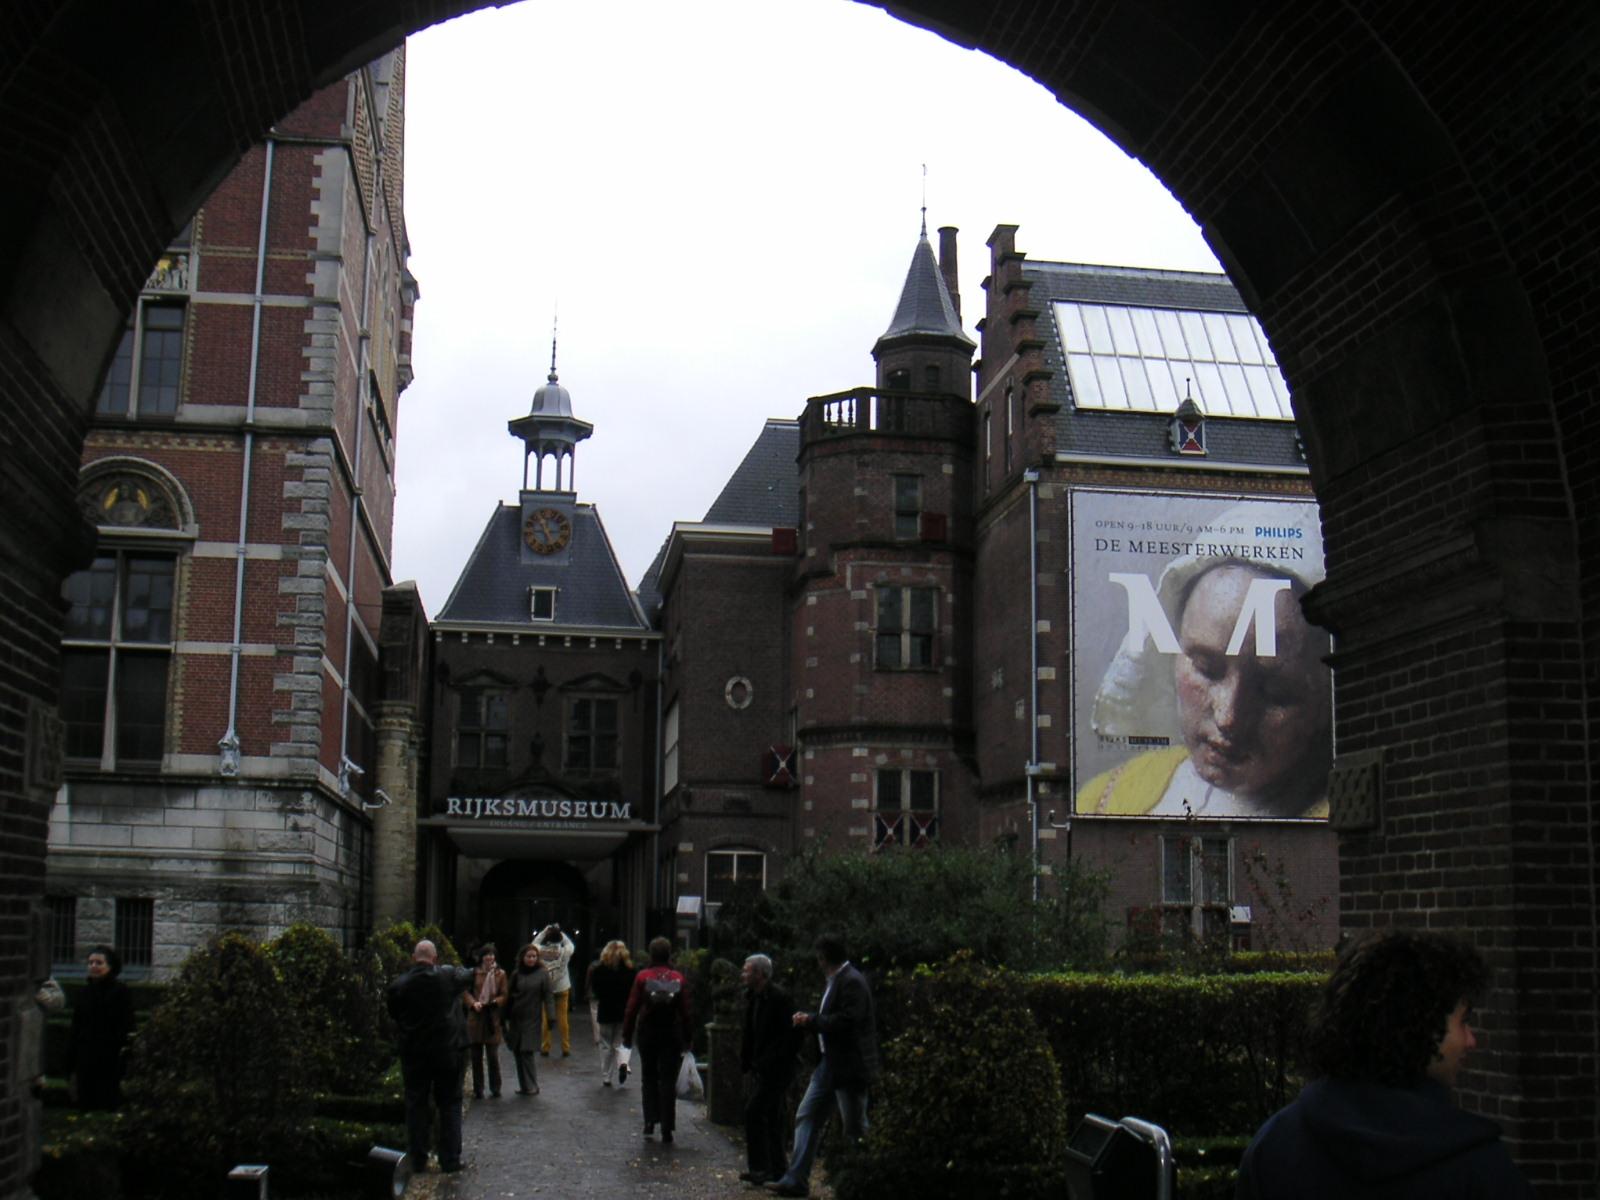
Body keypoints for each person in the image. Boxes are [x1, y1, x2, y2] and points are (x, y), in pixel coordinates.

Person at [1236, 928, 1533, 1199]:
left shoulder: (1274, 1147)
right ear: (1419, 1026)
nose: (1471, 1040)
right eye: (1463, 1021)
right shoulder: (1478, 1168)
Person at [1077, 553, 1332, 819]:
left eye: (1275, 692)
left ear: (1324, 701)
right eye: (1206, 669)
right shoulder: (1109, 795)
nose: (1228, 718)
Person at [764, 933, 877, 1198]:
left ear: (823, 957)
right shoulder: (839, 981)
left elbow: (848, 1021)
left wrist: (811, 1021)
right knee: (807, 1114)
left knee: (855, 1126)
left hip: (848, 1066)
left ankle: (867, 1180)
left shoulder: (851, 982)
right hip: (830, 1064)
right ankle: (796, 1178)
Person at [386, 939, 475, 1174]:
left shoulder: (399, 985)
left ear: (413, 958)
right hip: (447, 1051)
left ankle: (418, 1159)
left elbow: (394, 1013)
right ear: (435, 959)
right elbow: (469, 975)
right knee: (450, 1104)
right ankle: (450, 1159)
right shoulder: (447, 977)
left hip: (415, 1052)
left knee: (416, 1104)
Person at [621, 936, 693, 1144]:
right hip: (670, 1032)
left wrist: (627, 1035)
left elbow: (632, 1008)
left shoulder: (643, 976)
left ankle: (650, 1120)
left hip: (648, 1032)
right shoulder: (677, 977)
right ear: (669, 954)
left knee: (649, 1076)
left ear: (651, 954)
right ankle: (667, 1127)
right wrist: (688, 1036)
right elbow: (686, 1011)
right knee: (668, 1079)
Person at [739, 953, 799, 1186]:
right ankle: (775, 1168)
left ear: (760, 974)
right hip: (763, 1066)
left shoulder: (778, 999)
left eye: (747, 971)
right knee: (772, 1116)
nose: (743, 975)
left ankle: (761, 1167)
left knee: (755, 1111)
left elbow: (790, 1036)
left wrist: (770, 1059)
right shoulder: (755, 997)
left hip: (776, 1067)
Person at [68, 945, 135, 1110]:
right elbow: (76, 1025)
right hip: (85, 1055)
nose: (94, 966)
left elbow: (127, 1025)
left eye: (99, 963)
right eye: (90, 962)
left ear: (110, 966)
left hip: (110, 1056)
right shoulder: (83, 993)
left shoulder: (121, 992)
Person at [586, 939, 636, 1089]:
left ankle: (606, 1076)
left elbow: (596, 991)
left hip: (606, 1010)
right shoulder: (631, 971)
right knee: (621, 1042)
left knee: (605, 1043)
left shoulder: (599, 970)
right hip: (623, 1010)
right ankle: (623, 1063)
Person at [463, 942, 508, 1099]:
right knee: (476, 1056)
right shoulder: (474, 973)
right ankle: (478, 1088)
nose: (489, 957)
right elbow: (466, 992)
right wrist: (473, 1003)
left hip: (491, 1018)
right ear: (482, 957)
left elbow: (504, 994)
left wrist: (496, 1002)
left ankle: (495, 1087)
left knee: (492, 1056)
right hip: (476, 1016)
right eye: (487, 954)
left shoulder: (500, 974)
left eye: (492, 954)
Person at [505, 942, 550, 1096]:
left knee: (527, 1051)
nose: (531, 959)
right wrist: (504, 1014)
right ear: (522, 958)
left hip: (533, 1017)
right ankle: (524, 1085)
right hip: (517, 1017)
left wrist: (551, 1016)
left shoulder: (543, 974)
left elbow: (548, 996)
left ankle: (532, 1085)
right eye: (529, 956)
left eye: (534, 956)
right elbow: (509, 995)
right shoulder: (516, 974)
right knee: (517, 1051)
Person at [535, 923, 575, 1056]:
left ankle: (545, 1047)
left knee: (545, 1018)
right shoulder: (565, 951)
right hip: (562, 986)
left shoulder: (541, 951)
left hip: (547, 988)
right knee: (563, 1018)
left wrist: (544, 931)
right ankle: (565, 1047)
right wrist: (560, 932)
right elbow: (570, 944)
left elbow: (534, 944)